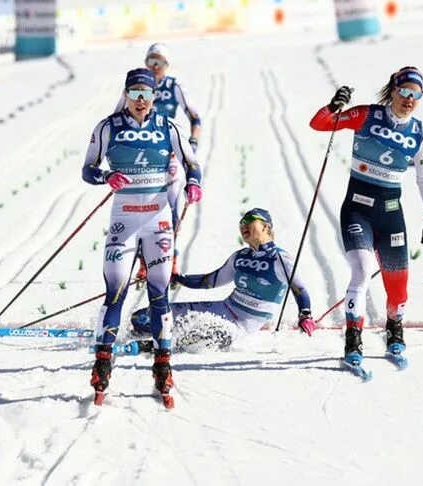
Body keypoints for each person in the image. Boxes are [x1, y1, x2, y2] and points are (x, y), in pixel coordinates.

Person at [83, 67, 202, 404]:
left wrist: (193, 183)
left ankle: (163, 368)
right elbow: (87, 169)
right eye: (133, 93)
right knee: (115, 291)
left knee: (159, 293)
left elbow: (193, 164)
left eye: (145, 94)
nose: (139, 100)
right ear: (126, 94)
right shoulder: (108, 127)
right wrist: (105, 176)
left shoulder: (167, 126)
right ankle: (102, 365)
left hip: (158, 221)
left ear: (154, 97)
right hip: (123, 222)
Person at [308, 67, 423, 367]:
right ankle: (353, 338)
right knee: (363, 271)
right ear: (393, 90)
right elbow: (320, 124)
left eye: (416, 95)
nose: (409, 99)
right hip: (357, 209)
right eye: (405, 91)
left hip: (391, 214)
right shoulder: (366, 115)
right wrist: (333, 106)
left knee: (399, 288)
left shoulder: (418, 132)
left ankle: (395, 330)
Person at [130, 209, 315, 351]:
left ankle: (153, 347)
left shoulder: (280, 258)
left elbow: (300, 289)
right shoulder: (240, 256)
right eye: (241, 223)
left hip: (241, 325)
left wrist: (305, 314)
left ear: (266, 227)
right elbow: (210, 281)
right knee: (142, 317)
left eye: (249, 221)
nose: (243, 226)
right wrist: (178, 278)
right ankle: (153, 337)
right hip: (223, 308)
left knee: (193, 334)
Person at [115, 43, 202, 279]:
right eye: (151, 61)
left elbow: (195, 117)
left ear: (167, 65)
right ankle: (145, 263)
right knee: (143, 207)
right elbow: (116, 119)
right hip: (140, 159)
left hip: (169, 155)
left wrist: (191, 144)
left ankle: (171, 260)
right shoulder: (135, 88)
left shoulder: (174, 86)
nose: (155, 66)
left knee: (170, 209)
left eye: (160, 62)